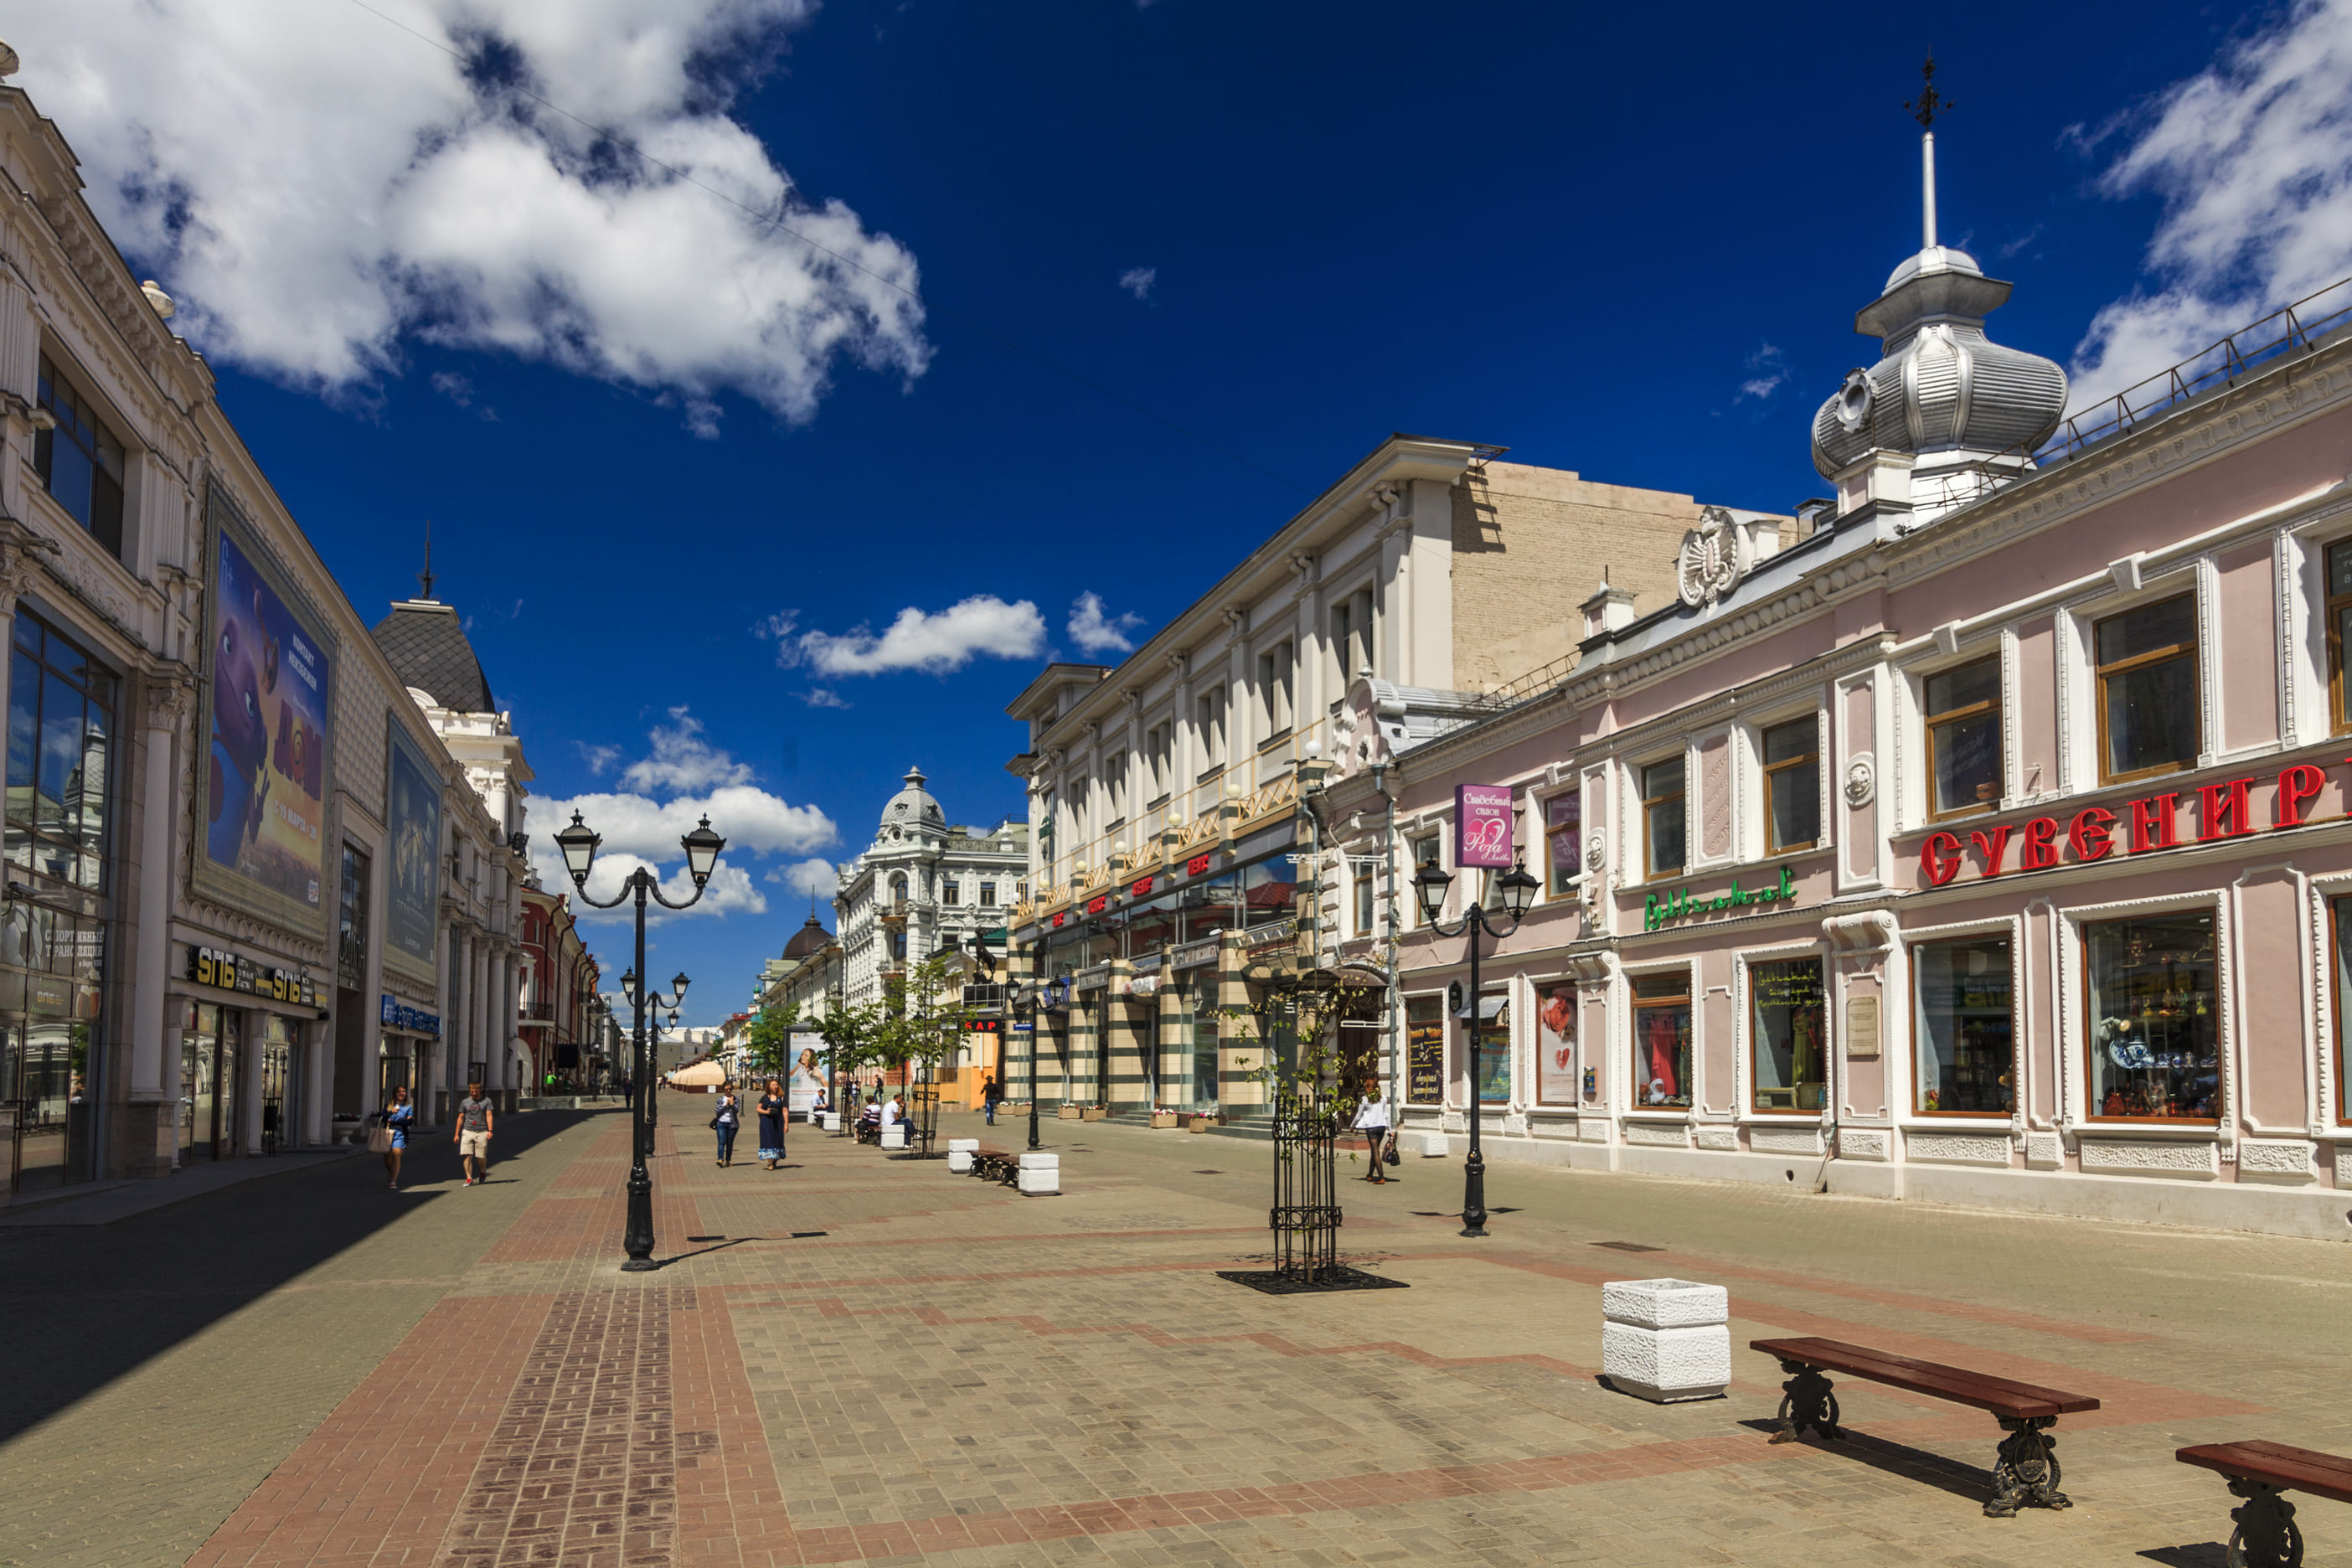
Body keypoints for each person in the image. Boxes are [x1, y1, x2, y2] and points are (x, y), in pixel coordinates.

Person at [1353, 1079, 1393, 1184]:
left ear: (1367, 1087)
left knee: (1375, 1151)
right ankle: (1370, 1175)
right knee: (1374, 1151)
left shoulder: (1365, 1099)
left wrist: (1352, 1126)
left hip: (1371, 1128)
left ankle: (1381, 1177)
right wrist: (1390, 1130)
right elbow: (1386, 1115)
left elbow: (1358, 1115)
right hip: (1381, 1127)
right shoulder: (1383, 1098)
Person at [453, 1081, 494, 1185]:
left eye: (476, 1092)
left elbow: (489, 1115)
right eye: (472, 1092)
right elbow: (460, 1117)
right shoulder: (465, 1102)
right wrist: (456, 1134)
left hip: (482, 1131)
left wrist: (490, 1130)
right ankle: (469, 1178)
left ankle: (482, 1170)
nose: (474, 1094)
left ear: (480, 1090)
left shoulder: (487, 1101)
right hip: (468, 1130)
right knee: (467, 1155)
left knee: (481, 1157)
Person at [380, 1085, 415, 1189]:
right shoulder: (388, 1105)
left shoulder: (408, 1107)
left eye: (403, 1091)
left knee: (396, 1155)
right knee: (387, 1159)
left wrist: (396, 1121)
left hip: (400, 1134)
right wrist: (391, 1112)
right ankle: (392, 1176)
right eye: (399, 1092)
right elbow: (383, 1118)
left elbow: (409, 1121)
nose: (401, 1093)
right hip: (387, 1133)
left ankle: (393, 1181)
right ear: (395, 1094)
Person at [756, 1078, 787, 1171]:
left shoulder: (781, 1097)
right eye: (773, 1085)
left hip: (778, 1122)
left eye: (777, 1085)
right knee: (768, 1141)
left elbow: (785, 1111)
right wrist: (766, 1112)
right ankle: (770, 1163)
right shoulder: (765, 1097)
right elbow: (758, 1109)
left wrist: (786, 1124)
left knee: (777, 1141)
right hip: (766, 1122)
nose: (775, 1087)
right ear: (769, 1087)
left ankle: (775, 1161)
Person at [712, 1084, 740, 1167]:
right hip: (721, 1123)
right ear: (723, 1090)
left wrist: (732, 1105)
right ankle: (720, 1159)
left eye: (730, 1089)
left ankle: (728, 1160)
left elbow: (737, 1111)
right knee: (722, 1141)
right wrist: (726, 1105)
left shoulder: (736, 1099)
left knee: (729, 1143)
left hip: (732, 1124)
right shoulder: (720, 1099)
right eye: (726, 1089)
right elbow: (717, 1112)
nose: (728, 1091)